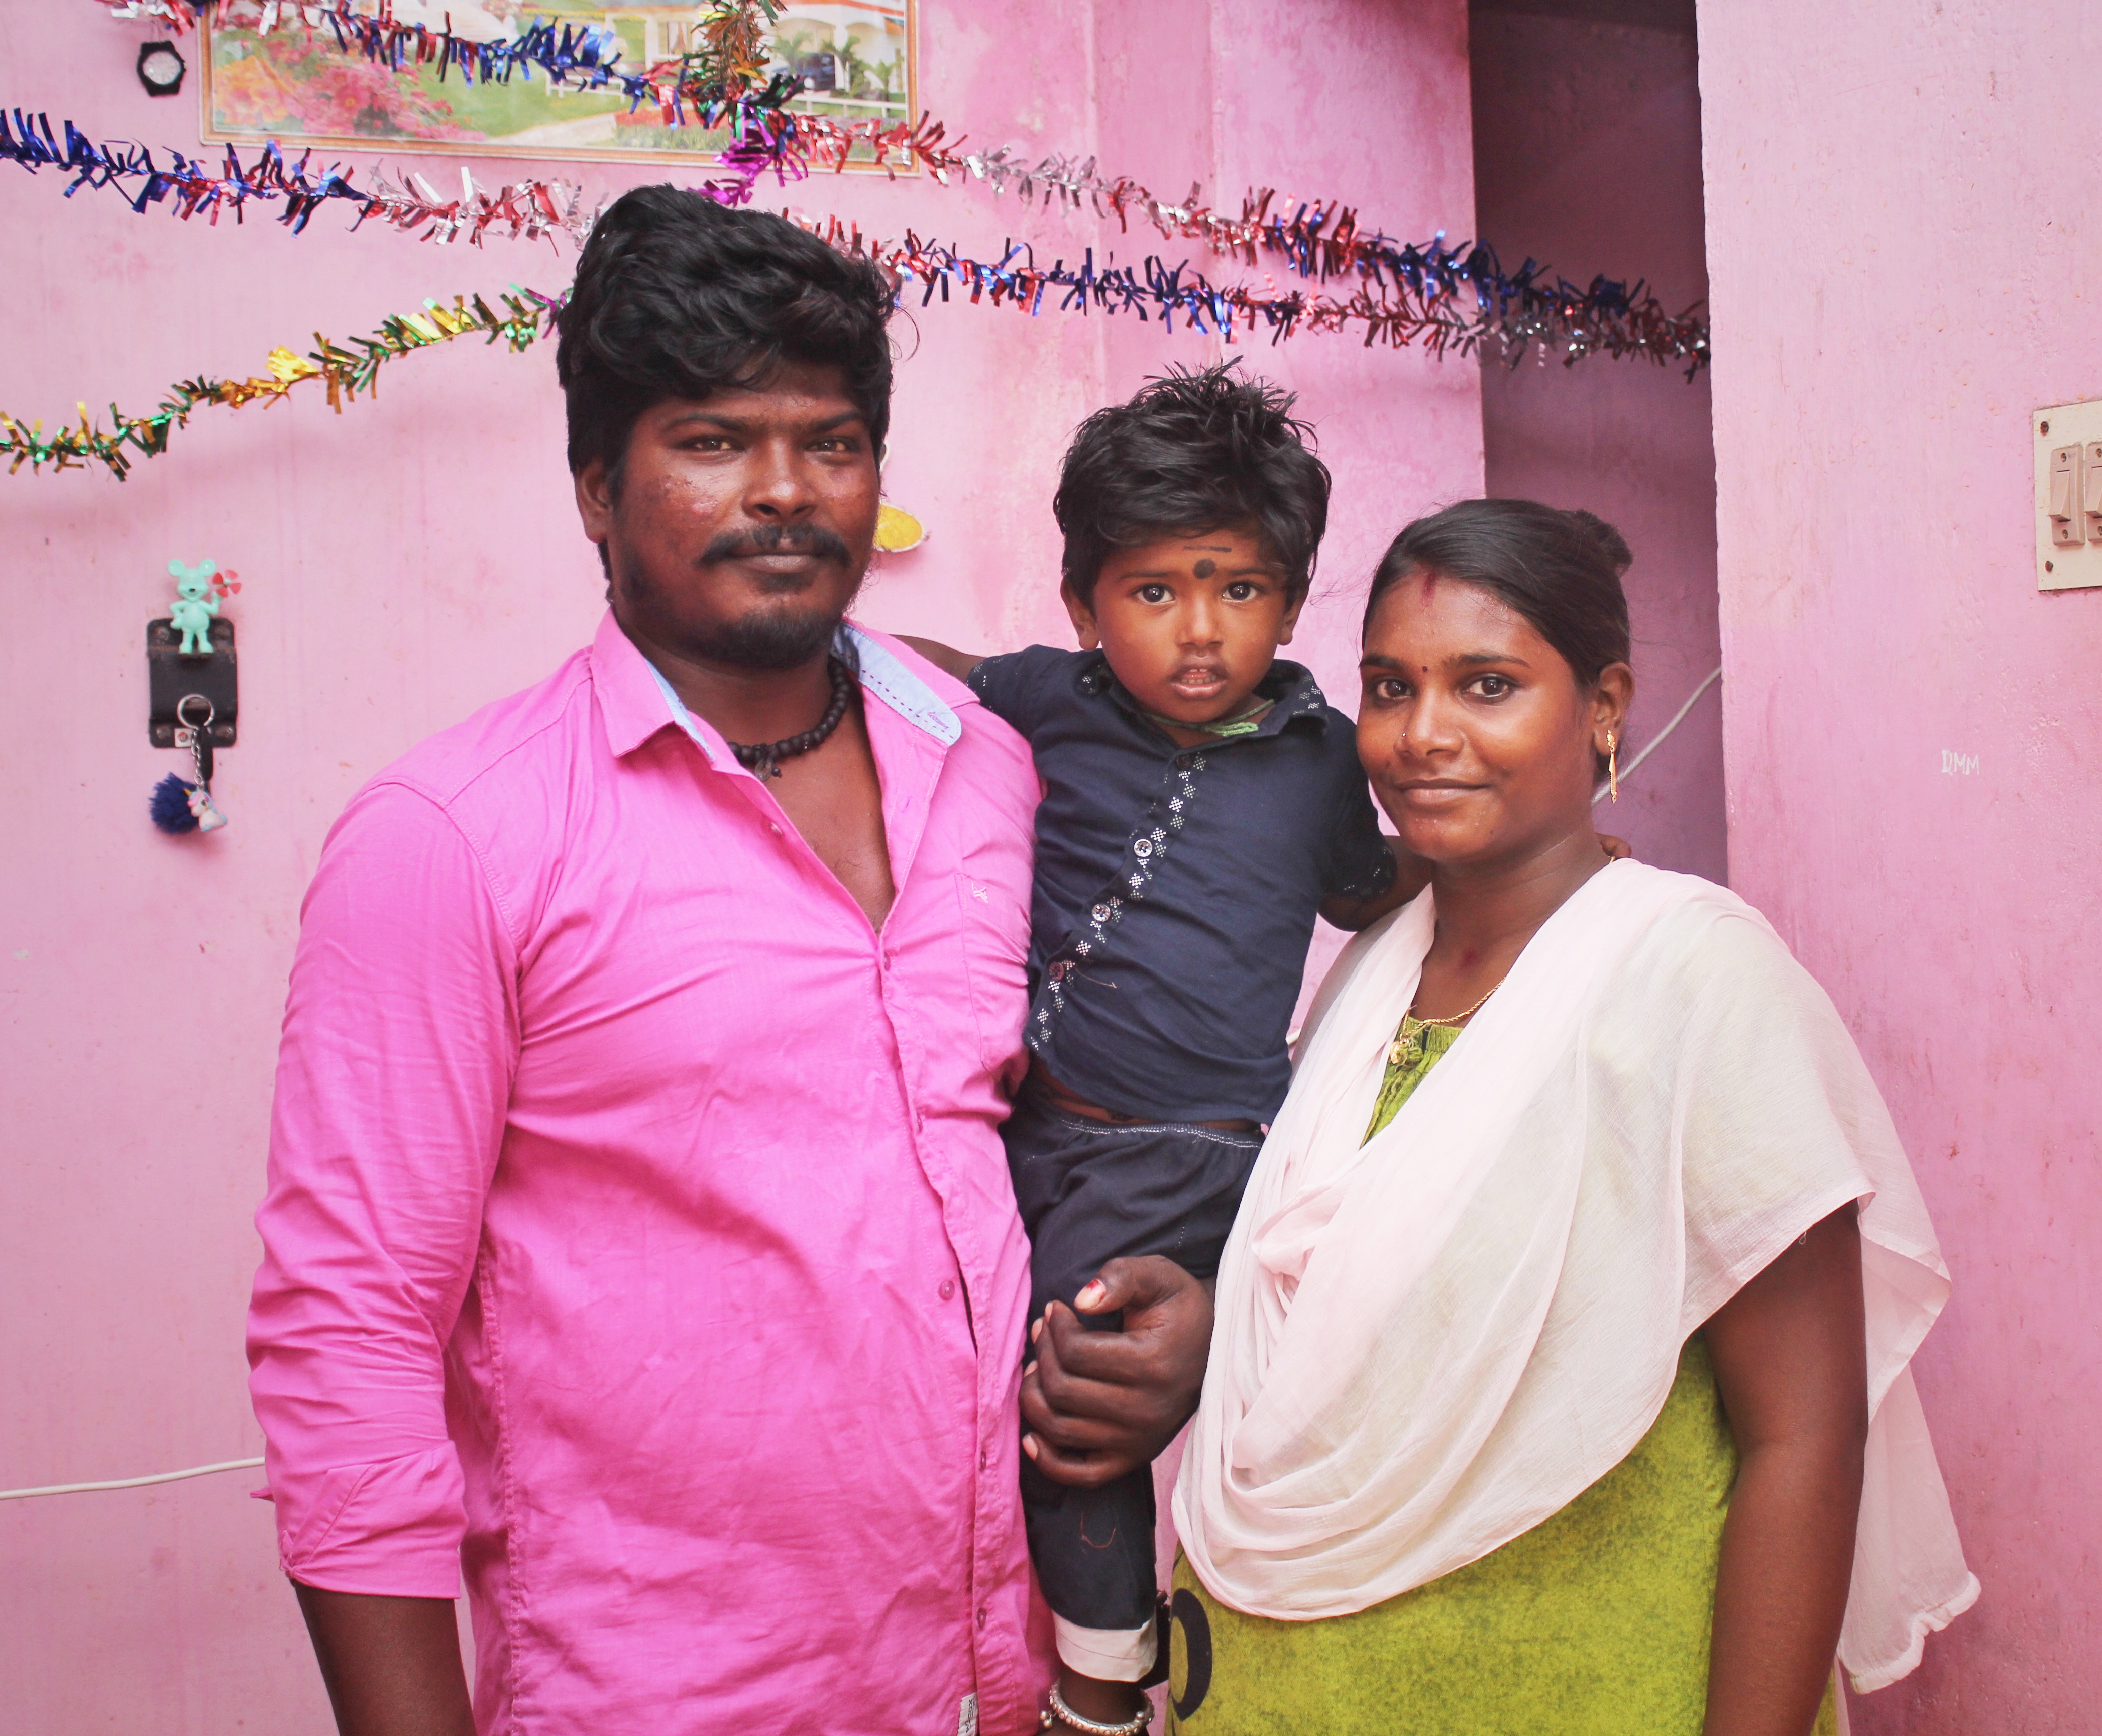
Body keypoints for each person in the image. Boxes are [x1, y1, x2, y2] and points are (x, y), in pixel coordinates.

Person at [244, 186, 1210, 1736]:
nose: (784, 490)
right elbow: (346, 1344)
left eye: (829, 442)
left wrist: (1177, 1313)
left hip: (1003, 1684)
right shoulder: (452, 839)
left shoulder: (987, 766)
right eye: (710, 441)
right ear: (593, 489)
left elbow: (1038, 1150)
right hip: (666, 1699)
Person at [1161, 500, 1979, 1733]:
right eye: (1390, 687)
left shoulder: (1691, 976)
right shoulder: (1371, 976)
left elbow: (1803, 1439)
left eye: (1486, 685)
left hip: (1588, 1680)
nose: (1423, 735)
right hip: (1294, 1691)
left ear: (1602, 707)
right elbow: (1353, 1309)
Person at [898, 366, 1429, 1733]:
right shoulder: (1044, 698)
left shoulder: (1319, 751)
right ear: (1083, 604)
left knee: (1077, 1386)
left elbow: (1364, 890)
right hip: (1035, 1128)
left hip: (1190, 1148)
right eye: (1155, 593)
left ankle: (1102, 1682)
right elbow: (918, 673)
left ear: (1293, 601)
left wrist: (1494, 864)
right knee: (948, 1365)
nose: (1202, 633)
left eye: (1240, 590)